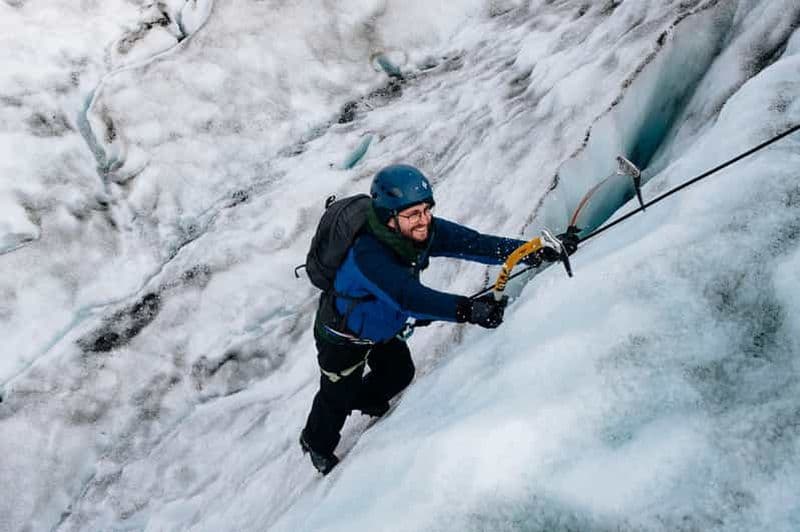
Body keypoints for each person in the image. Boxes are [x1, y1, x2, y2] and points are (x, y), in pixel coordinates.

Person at [299, 164, 578, 474]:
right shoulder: (367, 255)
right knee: (335, 397)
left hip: (383, 325)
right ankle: (315, 442)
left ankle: (361, 398)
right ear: (389, 218)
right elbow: (409, 298)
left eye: (426, 209)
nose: (424, 220)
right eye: (413, 214)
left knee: (399, 374)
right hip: (343, 337)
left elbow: (474, 243)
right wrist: (468, 310)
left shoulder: (420, 231)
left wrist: (531, 251)